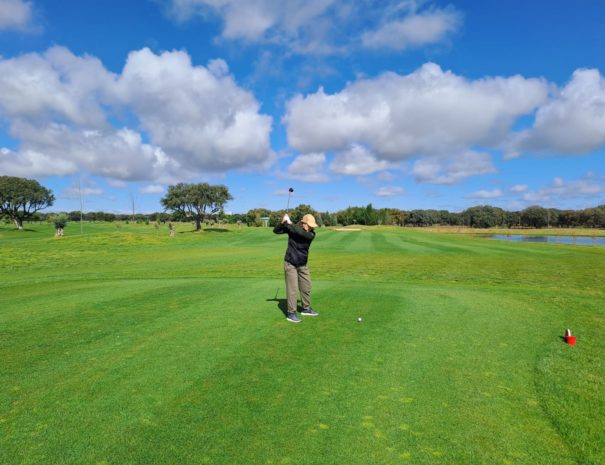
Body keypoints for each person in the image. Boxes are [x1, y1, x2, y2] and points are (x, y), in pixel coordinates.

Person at [273, 213, 319, 323]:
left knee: (306, 287)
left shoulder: (311, 234)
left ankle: (306, 309)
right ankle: (291, 313)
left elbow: (301, 233)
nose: (312, 227)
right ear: (303, 223)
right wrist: (282, 222)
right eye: (310, 225)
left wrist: (289, 222)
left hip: (303, 264)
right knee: (292, 289)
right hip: (291, 263)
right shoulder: (293, 229)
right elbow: (276, 230)